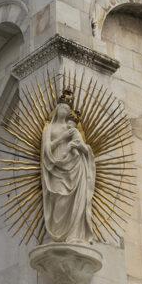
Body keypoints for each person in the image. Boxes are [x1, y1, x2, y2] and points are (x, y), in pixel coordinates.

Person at [41, 99, 97, 244]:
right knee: (59, 198)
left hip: (74, 166)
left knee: (75, 200)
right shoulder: (49, 129)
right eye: (62, 108)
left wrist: (76, 144)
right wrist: (63, 138)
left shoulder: (72, 129)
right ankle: (58, 233)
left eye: (67, 109)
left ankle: (74, 234)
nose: (64, 111)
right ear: (57, 109)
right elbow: (47, 149)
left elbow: (83, 147)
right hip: (55, 167)